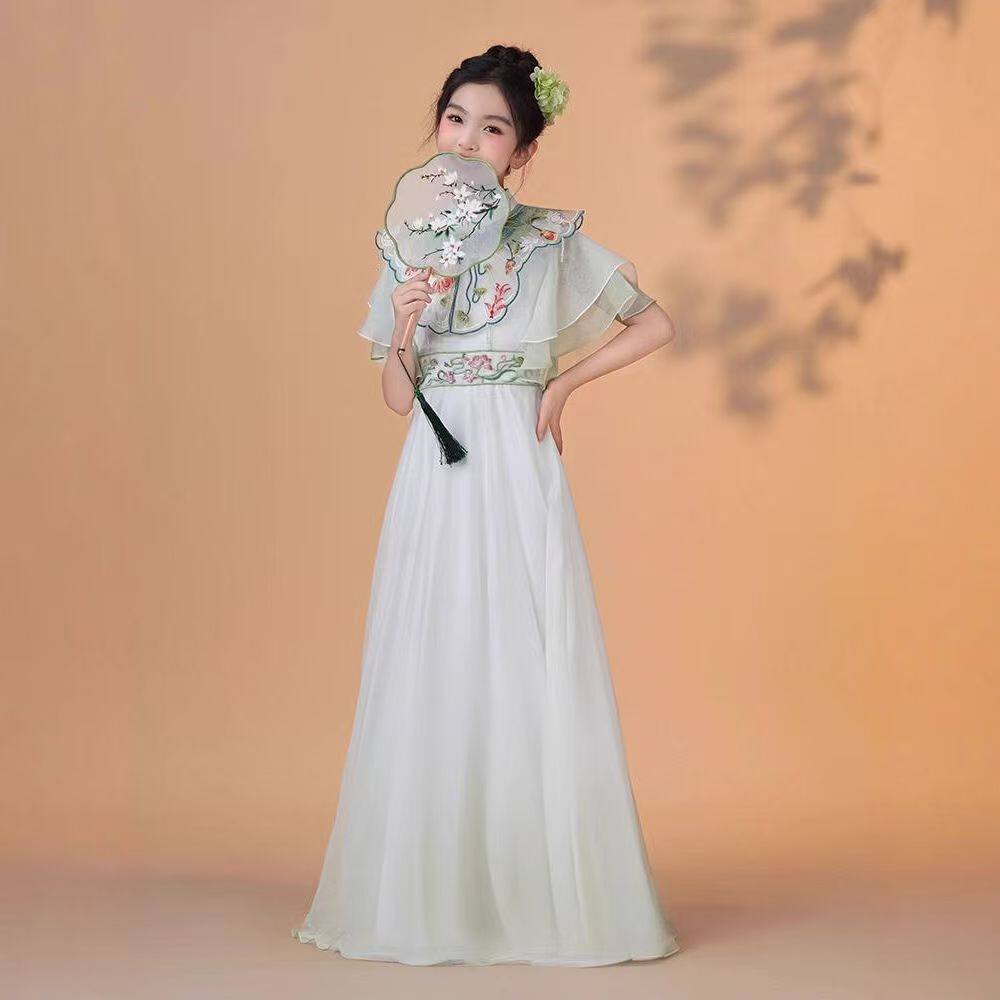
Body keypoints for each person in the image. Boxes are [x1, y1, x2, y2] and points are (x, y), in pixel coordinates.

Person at [291, 43, 680, 967]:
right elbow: (398, 398)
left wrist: (562, 386)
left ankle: (537, 889)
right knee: (437, 650)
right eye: (455, 119)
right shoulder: (409, 242)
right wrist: (404, 326)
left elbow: (655, 322)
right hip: (435, 469)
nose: (468, 139)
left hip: (511, 458)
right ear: (437, 126)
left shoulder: (547, 240)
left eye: (494, 128)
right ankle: (438, 890)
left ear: (523, 151)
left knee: (521, 651)